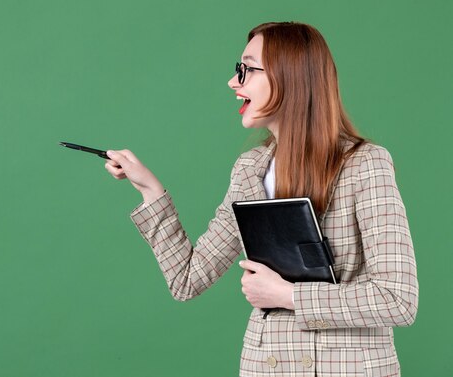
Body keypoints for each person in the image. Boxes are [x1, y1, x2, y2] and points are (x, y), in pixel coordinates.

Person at [104, 22, 418, 377]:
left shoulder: (364, 164)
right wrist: (150, 190)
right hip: (267, 367)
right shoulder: (249, 170)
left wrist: (288, 296)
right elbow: (187, 279)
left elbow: (398, 299)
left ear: (291, 77)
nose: (233, 82)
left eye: (246, 69)